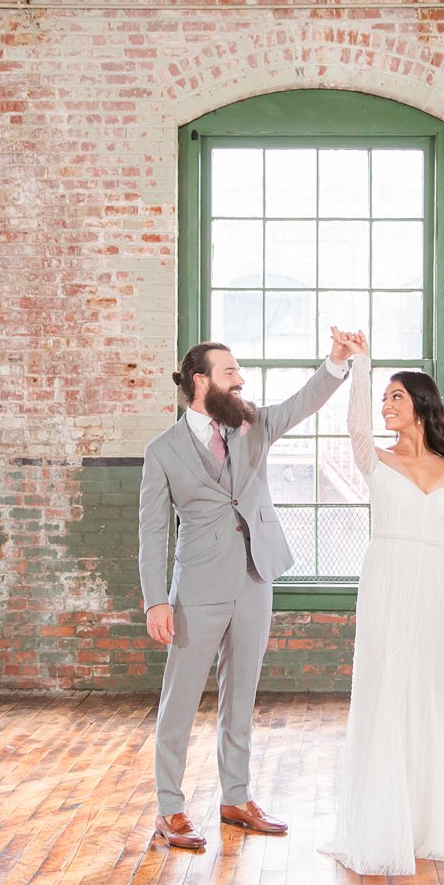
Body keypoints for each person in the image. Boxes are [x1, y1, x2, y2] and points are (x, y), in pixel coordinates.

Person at [138, 335, 350, 850]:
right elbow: (151, 532)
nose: (240, 378)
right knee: (180, 701)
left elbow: (301, 403)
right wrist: (155, 600)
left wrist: (336, 363)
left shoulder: (251, 424)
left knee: (242, 698)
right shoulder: (161, 451)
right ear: (201, 381)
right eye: (230, 371)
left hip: (256, 580)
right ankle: (171, 807)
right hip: (197, 589)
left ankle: (236, 796)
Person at [319, 329, 444, 875]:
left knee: (423, 692)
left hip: (428, 589)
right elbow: (354, 425)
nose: (385, 405)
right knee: (383, 687)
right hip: (384, 580)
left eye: (396, 396)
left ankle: (426, 817)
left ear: (421, 405)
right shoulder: (374, 459)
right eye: (384, 397)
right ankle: (380, 820)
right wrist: (362, 365)